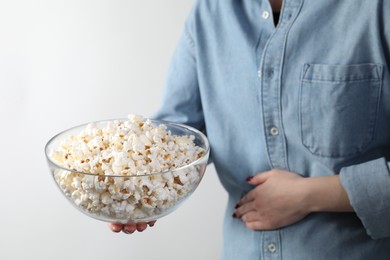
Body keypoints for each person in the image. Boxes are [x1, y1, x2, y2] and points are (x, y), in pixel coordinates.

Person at [110, 0, 390, 259]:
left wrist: (310, 195)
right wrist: (138, 187)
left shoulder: (375, 9)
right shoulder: (209, 13)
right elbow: (177, 137)